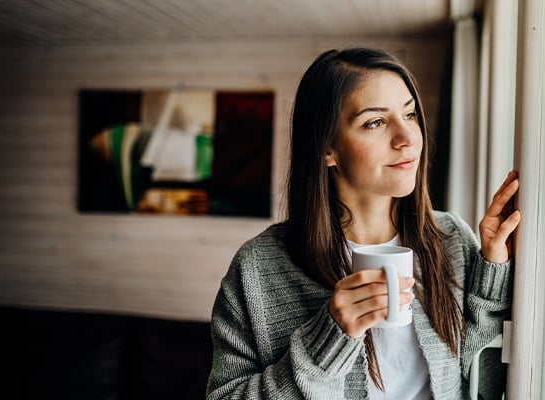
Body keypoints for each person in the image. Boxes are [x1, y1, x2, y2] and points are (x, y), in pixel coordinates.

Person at [206, 48, 521, 399]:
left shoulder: (452, 240)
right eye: (375, 122)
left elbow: (485, 385)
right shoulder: (258, 268)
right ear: (328, 148)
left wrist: (492, 269)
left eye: (410, 114)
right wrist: (327, 340)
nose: (408, 138)